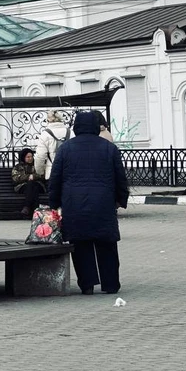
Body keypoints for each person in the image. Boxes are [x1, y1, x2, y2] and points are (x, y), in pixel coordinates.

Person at [48, 110, 129, 295]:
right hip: (103, 204)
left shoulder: (65, 149)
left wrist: (54, 204)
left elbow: (55, 179)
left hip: (74, 205)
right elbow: (120, 178)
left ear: (76, 127)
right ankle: (110, 285)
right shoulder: (109, 148)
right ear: (95, 127)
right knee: (107, 245)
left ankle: (87, 285)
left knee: (81, 244)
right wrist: (120, 200)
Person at [33, 110, 70, 181]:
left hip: (52, 173)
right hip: (69, 173)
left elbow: (40, 156)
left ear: (48, 120)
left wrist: (40, 172)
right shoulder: (70, 132)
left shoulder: (45, 134)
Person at [12, 147, 44, 219]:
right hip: (22, 186)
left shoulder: (37, 165)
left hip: (38, 185)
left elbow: (42, 174)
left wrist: (34, 177)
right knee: (31, 186)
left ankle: (27, 207)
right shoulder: (18, 167)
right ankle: (36, 210)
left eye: (31, 156)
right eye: (28, 157)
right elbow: (16, 178)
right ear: (23, 157)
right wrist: (28, 177)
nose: (30, 158)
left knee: (32, 185)